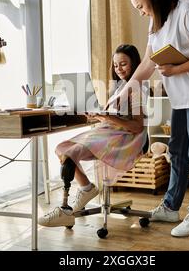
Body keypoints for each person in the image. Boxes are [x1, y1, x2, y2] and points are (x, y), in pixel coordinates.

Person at [109, 0, 189, 237]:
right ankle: (171, 207)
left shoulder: (188, 11)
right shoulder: (155, 22)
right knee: (177, 149)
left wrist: (177, 69)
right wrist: (126, 89)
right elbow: (148, 63)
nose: (140, 13)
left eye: (140, 6)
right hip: (181, 96)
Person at [39, 44, 148, 227]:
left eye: (123, 64)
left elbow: (137, 126)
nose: (118, 69)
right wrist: (98, 115)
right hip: (108, 131)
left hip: (127, 137)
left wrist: (106, 116)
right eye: (115, 65)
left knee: (72, 152)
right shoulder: (118, 87)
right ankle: (87, 188)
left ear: (135, 64)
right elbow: (113, 117)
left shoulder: (136, 89)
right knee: (61, 148)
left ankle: (64, 208)